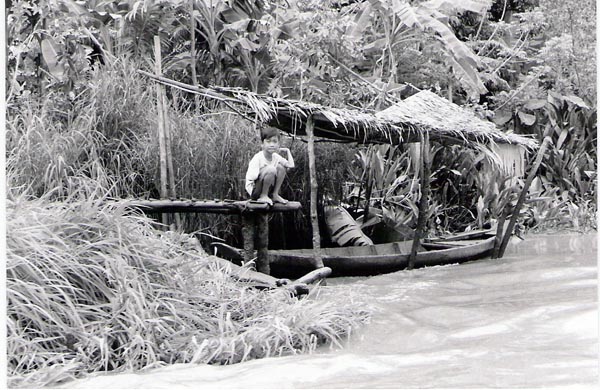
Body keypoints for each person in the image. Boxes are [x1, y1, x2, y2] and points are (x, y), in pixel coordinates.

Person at [245, 126, 295, 205]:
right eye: (268, 142)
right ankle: (263, 195)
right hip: (255, 190)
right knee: (271, 169)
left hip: (268, 189)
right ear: (262, 144)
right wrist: (265, 171)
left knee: (281, 168)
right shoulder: (258, 157)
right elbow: (252, 178)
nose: (272, 144)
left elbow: (291, 165)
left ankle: (275, 194)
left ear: (278, 144)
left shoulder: (276, 157)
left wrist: (287, 151)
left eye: (274, 142)